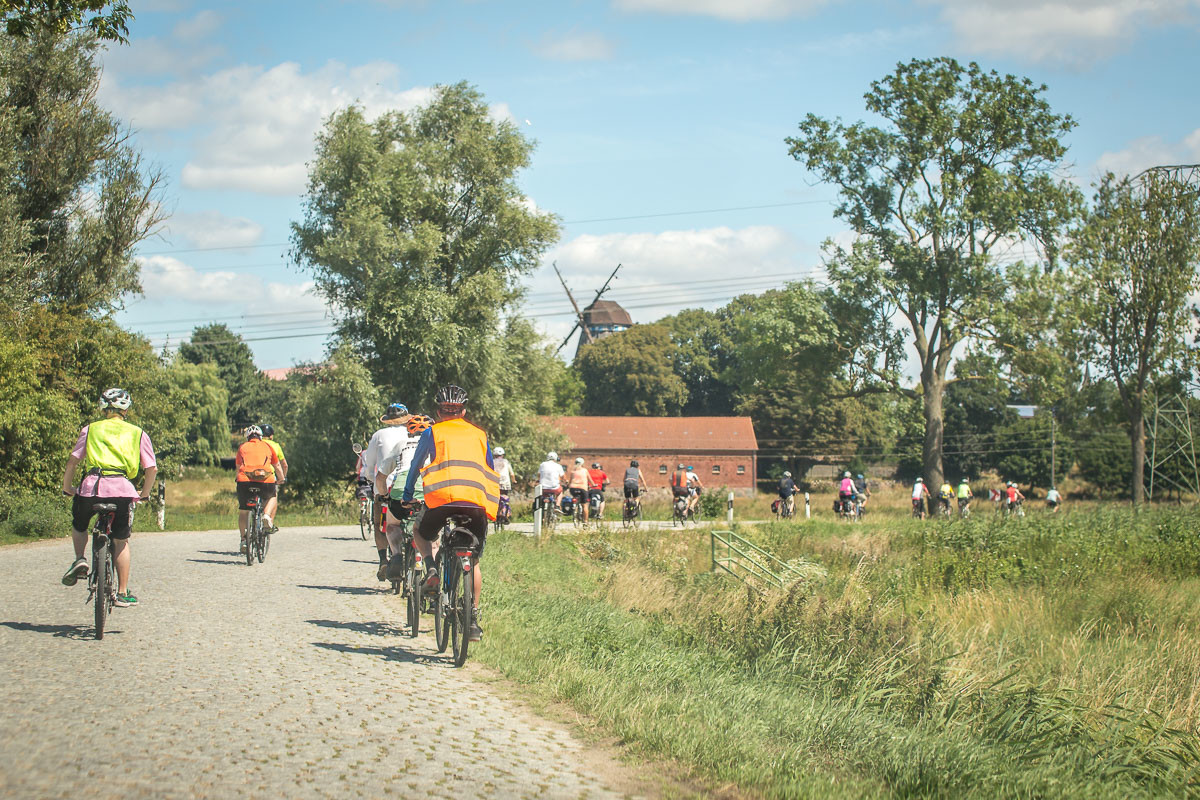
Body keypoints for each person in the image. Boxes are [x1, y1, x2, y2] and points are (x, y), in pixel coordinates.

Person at [402, 385, 499, 642]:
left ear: (438, 412)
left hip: (441, 499)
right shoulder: (480, 434)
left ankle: (432, 568)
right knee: (474, 560)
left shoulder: (432, 432)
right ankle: (472, 621)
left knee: (419, 531)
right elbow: (490, 468)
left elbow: (415, 465)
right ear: (463, 412)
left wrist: (407, 494)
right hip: (475, 502)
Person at [60, 388, 157, 608]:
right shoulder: (138, 433)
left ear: (103, 408)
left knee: (79, 524)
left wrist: (68, 488)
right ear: (126, 410)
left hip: (91, 487)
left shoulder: (90, 429)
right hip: (122, 489)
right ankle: (122, 593)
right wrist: (143, 494)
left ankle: (80, 559)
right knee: (121, 541)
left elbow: (72, 462)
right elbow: (151, 468)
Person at [364, 403, 412, 581]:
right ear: (406, 419)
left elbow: (369, 465)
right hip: (409, 486)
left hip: (384, 485)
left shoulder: (378, 435)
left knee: (379, 524)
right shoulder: (411, 434)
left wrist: (372, 480)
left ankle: (383, 560)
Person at [382, 414, 433, 580]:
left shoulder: (401, 444)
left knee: (392, 525)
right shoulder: (436, 443)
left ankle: (396, 555)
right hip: (427, 489)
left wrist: (383, 495)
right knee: (434, 530)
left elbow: (381, 476)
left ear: (409, 431)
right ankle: (432, 567)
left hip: (401, 490)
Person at [235, 425, 281, 553]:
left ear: (247, 437)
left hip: (245, 482)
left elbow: (238, 467)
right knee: (272, 496)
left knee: (243, 511)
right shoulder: (268, 446)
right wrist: (281, 478)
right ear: (260, 437)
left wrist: (238, 478)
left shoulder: (242, 447)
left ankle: (244, 540)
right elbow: (277, 465)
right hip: (265, 480)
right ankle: (266, 515)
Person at [260, 424, 288, 531]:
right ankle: (269, 521)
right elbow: (284, 465)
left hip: (253, 476)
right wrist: (282, 478)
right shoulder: (275, 446)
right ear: (271, 436)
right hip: (269, 476)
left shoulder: (256, 444)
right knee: (273, 496)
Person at [566, 457, 595, 523]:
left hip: (573, 488)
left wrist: (568, 485)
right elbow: (590, 479)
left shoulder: (573, 471)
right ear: (582, 464)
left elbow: (570, 481)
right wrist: (593, 484)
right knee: (584, 505)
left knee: (575, 498)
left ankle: (575, 508)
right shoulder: (585, 470)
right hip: (583, 488)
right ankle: (585, 521)